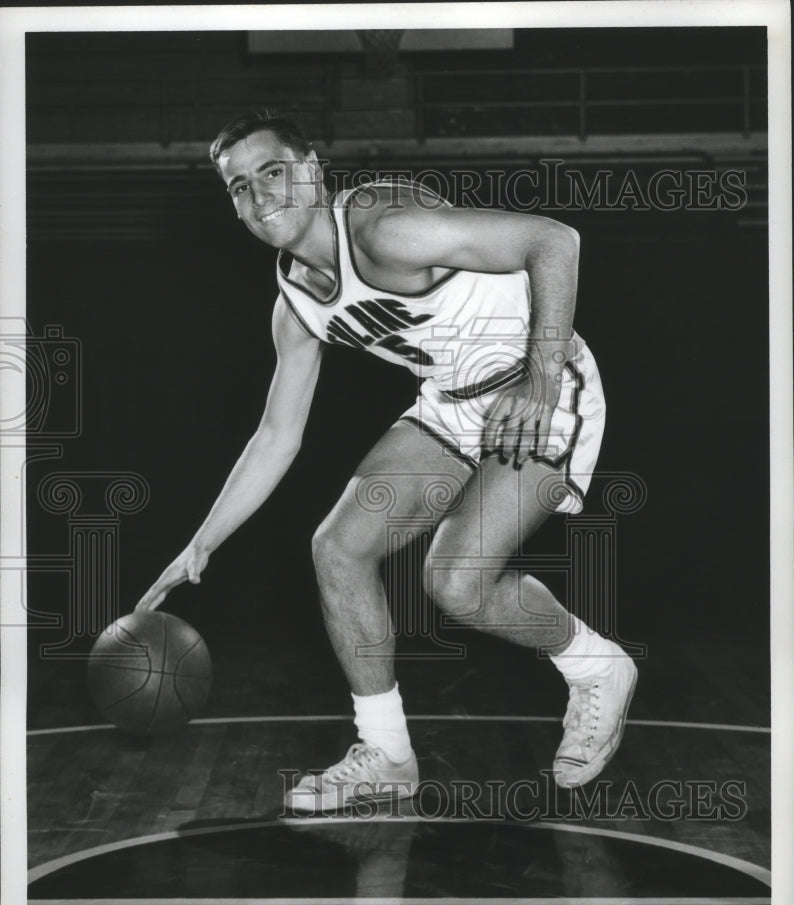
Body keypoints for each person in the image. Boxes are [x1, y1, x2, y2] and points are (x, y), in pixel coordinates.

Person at [137, 110, 637, 811]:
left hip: (541, 385)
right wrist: (199, 544)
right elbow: (277, 436)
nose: (259, 197)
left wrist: (542, 377)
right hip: (452, 402)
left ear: (313, 167)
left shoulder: (382, 228)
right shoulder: (295, 309)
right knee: (338, 548)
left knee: (456, 584)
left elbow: (554, 240)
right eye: (240, 187)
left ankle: (596, 667)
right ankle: (387, 756)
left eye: (273, 172)